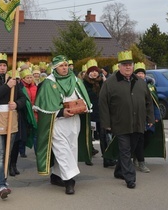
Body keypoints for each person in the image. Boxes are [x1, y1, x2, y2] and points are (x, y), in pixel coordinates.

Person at [34, 55, 92, 195]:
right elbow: (45, 107)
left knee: (72, 148)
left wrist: (81, 107)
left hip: (74, 121)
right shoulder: (49, 83)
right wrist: (61, 112)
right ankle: (70, 181)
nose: (65, 68)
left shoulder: (76, 81)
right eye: (61, 65)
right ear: (55, 68)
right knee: (62, 150)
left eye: (66, 65)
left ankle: (56, 175)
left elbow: (84, 99)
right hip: (57, 122)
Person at [99, 51, 154, 189]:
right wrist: (106, 123)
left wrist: (150, 117)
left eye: (130, 65)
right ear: (119, 67)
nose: (128, 67)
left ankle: (119, 171)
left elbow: (148, 102)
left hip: (138, 123)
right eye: (125, 65)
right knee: (124, 150)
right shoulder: (110, 83)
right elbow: (103, 103)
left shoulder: (140, 82)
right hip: (120, 122)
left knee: (130, 150)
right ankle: (130, 178)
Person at [0, 53, 27, 199]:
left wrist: (17, 104)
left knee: (7, 153)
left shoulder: (13, 80)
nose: (2, 68)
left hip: (10, 120)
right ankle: (1, 184)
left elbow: (23, 99)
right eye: (0, 65)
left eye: (4, 65)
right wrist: (7, 86)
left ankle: (4, 181)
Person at [82, 59, 116, 168]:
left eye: (95, 71)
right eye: (91, 71)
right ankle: (88, 157)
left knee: (104, 137)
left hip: (102, 113)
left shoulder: (103, 82)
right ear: (88, 73)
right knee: (87, 137)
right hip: (89, 113)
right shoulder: (84, 83)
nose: (94, 73)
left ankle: (107, 159)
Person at [9, 69, 37, 176]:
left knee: (16, 142)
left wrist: (17, 104)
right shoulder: (6, 88)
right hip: (8, 118)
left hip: (20, 117)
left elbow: (23, 99)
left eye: (17, 79)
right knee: (10, 144)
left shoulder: (20, 88)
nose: (15, 81)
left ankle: (13, 165)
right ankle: (8, 165)